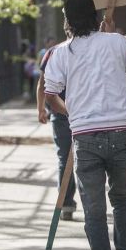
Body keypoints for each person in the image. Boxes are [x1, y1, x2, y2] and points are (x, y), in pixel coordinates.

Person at [44, 0, 126, 250]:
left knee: (94, 210)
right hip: (121, 129)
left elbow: (50, 94)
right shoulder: (118, 42)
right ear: (98, 17)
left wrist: (72, 112)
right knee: (123, 199)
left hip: (85, 135)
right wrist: (111, 37)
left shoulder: (61, 53)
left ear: (68, 21)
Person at [36, 26, 76, 221]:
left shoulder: (53, 53)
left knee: (64, 158)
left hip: (60, 113)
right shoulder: (85, 52)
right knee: (85, 159)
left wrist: (40, 108)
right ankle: (74, 203)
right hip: (81, 112)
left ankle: (66, 204)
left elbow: (42, 83)